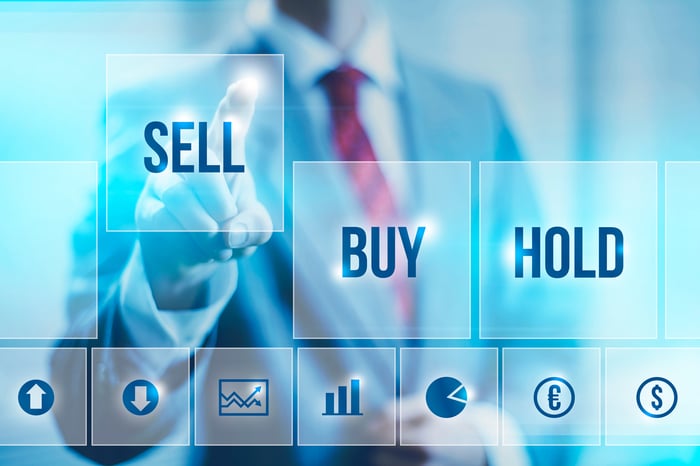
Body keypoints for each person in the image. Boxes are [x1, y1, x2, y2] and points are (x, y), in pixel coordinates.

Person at [52, 0, 530, 464]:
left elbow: (545, 330)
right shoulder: (157, 110)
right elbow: (90, 417)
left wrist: (489, 438)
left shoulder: (475, 112)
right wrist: (167, 286)